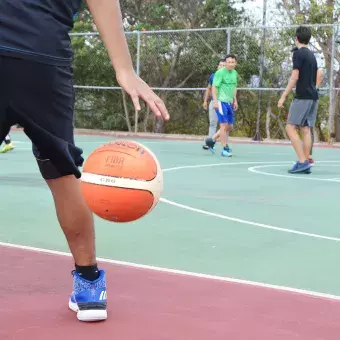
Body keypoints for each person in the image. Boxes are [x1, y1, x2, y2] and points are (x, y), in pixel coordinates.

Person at [0, 0, 169, 322]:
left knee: (64, 173)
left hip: (39, 52)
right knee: (62, 173)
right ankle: (89, 281)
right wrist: (124, 68)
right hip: (42, 57)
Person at [278, 26, 322, 174]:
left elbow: (294, 77)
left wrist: (283, 95)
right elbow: (318, 74)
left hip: (303, 96)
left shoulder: (298, 54)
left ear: (296, 38)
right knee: (305, 128)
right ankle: (307, 159)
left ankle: (303, 161)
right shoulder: (311, 55)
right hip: (313, 96)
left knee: (290, 127)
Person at [205, 54, 238, 157]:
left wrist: (235, 100)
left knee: (230, 126)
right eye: (229, 62)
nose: (231, 64)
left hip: (229, 102)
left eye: (233, 62)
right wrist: (215, 101)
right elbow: (214, 87)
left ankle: (212, 140)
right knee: (223, 126)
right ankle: (225, 148)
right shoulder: (220, 73)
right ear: (226, 63)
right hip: (220, 101)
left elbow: (234, 87)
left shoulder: (235, 73)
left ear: (235, 63)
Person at [202, 59, 226, 150]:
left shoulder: (227, 77)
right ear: (218, 66)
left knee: (225, 125)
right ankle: (209, 143)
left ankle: (224, 145)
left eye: (224, 65)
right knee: (212, 123)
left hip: (224, 103)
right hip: (213, 102)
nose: (221, 67)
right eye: (220, 65)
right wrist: (205, 101)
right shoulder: (213, 76)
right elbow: (208, 89)